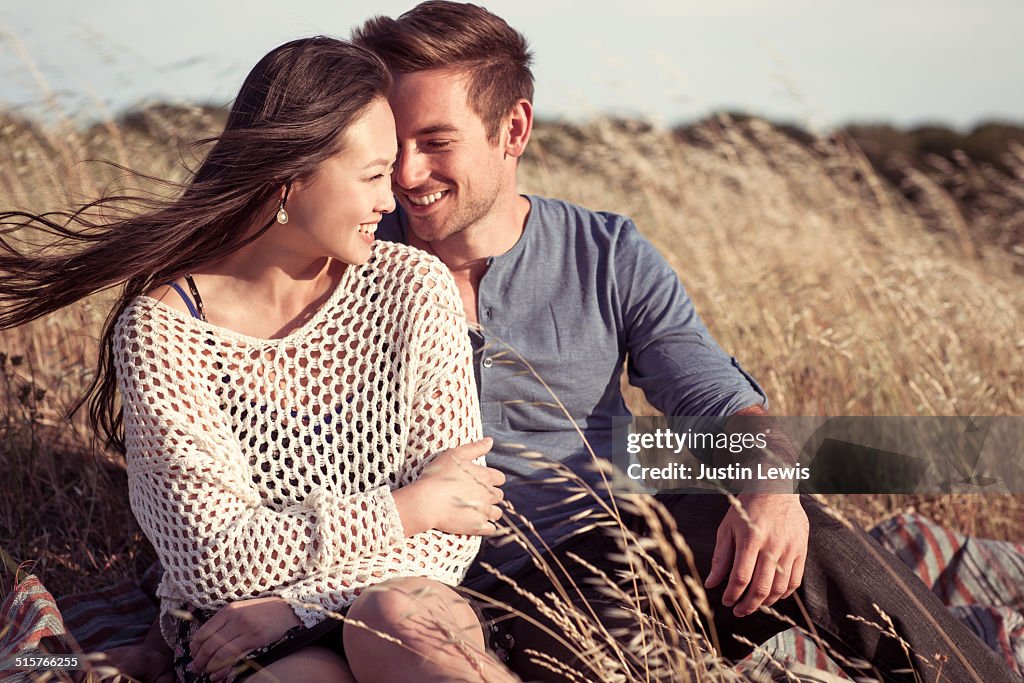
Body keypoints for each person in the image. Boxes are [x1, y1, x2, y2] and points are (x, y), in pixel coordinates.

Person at [346, 3, 1023, 682]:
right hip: (449, 591)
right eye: (393, 145)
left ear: (513, 130)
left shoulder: (605, 252)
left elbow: (714, 398)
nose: (406, 174)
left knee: (795, 522)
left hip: (614, 554)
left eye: (436, 142)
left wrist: (769, 486)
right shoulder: (350, 260)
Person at [0, 37, 515, 683]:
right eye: (372, 175)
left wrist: (300, 604)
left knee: (398, 615)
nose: (392, 198)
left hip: (390, 602)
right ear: (288, 178)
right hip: (234, 630)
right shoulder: (164, 331)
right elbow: (215, 561)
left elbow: (457, 525)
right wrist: (407, 506)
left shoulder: (412, 286)